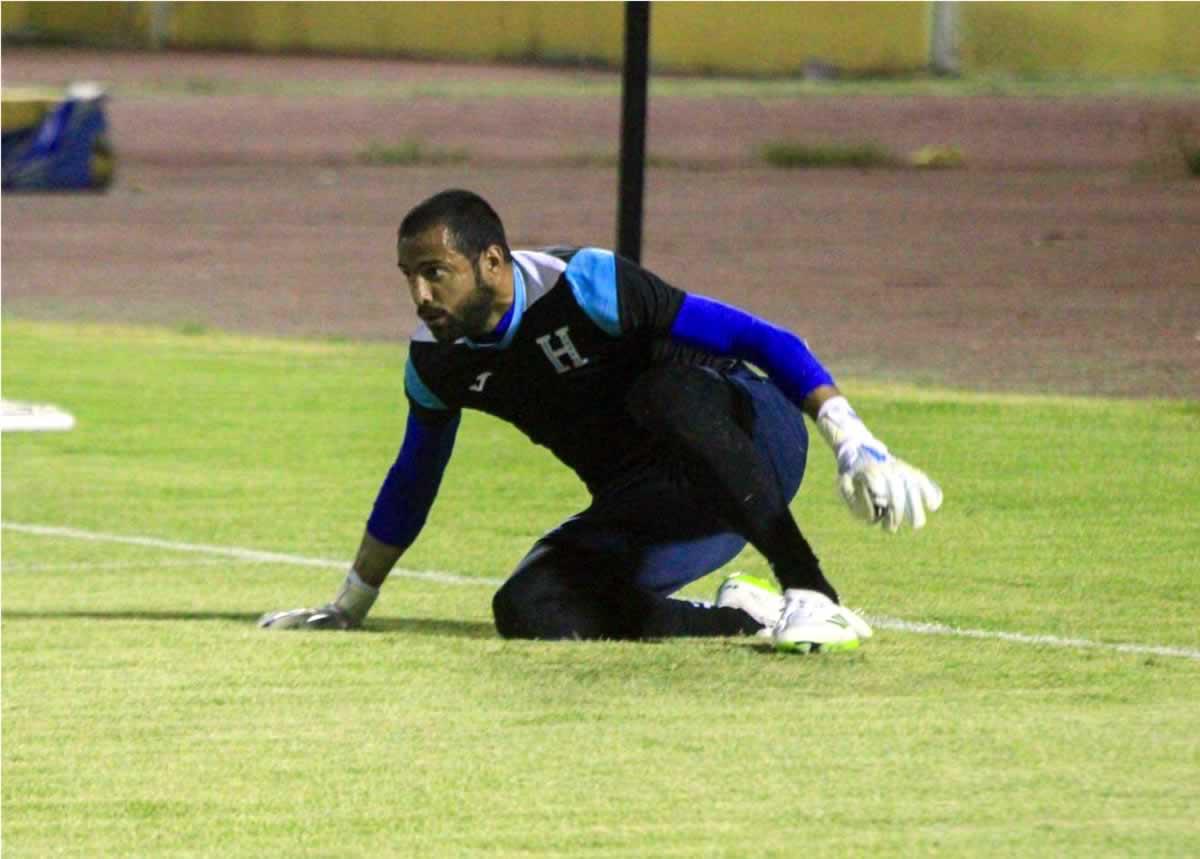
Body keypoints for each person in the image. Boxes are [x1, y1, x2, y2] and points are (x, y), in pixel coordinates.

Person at [260, 189, 942, 652]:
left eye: (435, 272)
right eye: (408, 275)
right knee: (526, 607)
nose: (419, 294)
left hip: (751, 437)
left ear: (491, 261)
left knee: (664, 396)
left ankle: (812, 591)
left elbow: (758, 338)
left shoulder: (586, 284)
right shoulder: (437, 364)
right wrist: (350, 603)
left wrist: (854, 441)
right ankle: (743, 618)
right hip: (656, 506)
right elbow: (413, 479)